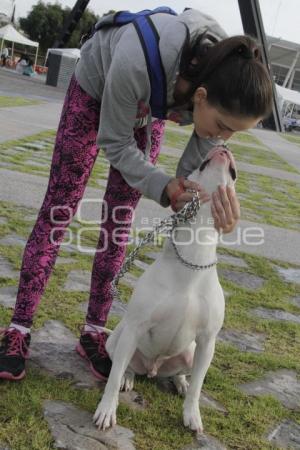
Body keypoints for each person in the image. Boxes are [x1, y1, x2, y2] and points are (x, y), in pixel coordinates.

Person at [0, 8, 273, 381]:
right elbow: (114, 139)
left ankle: (95, 330)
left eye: (234, 134)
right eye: (224, 127)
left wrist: (214, 208)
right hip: (96, 89)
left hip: (152, 108)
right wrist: (162, 185)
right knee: (60, 208)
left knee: (119, 220)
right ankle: (19, 328)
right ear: (202, 95)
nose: (223, 139)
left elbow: (190, 176)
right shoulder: (136, 61)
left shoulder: (226, 70)